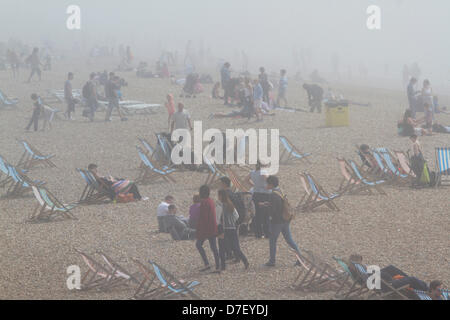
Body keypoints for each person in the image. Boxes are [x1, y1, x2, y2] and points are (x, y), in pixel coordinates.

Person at [261, 176, 302, 267]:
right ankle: (300, 258)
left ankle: (272, 261)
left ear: (271, 184)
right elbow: (279, 204)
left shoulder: (273, 195)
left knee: (272, 241)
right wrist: (268, 204)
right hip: (285, 219)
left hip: (277, 222)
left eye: (267, 183)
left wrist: (265, 208)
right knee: (289, 240)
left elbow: (273, 211)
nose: (266, 185)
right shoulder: (280, 191)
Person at [216, 190, 249, 271]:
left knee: (222, 248)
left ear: (220, 196)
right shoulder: (231, 205)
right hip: (233, 228)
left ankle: (223, 266)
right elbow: (236, 216)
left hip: (224, 229)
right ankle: (245, 260)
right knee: (235, 247)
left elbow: (217, 219)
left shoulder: (220, 205)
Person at [195, 185, 220, 273]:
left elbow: (204, 218)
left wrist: (199, 229)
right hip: (212, 227)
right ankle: (217, 266)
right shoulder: (210, 201)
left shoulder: (204, 202)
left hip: (206, 228)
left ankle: (208, 264)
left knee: (199, 244)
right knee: (213, 247)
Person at [246, 161, 270, 238]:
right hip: (264, 194)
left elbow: (246, 180)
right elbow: (268, 181)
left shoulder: (252, 172)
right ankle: (267, 233)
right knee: (266, 214)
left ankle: (258, 233)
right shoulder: (263, 172)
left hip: (255, 194)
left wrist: (254, 185)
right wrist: (267, 187)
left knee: (257, 215)